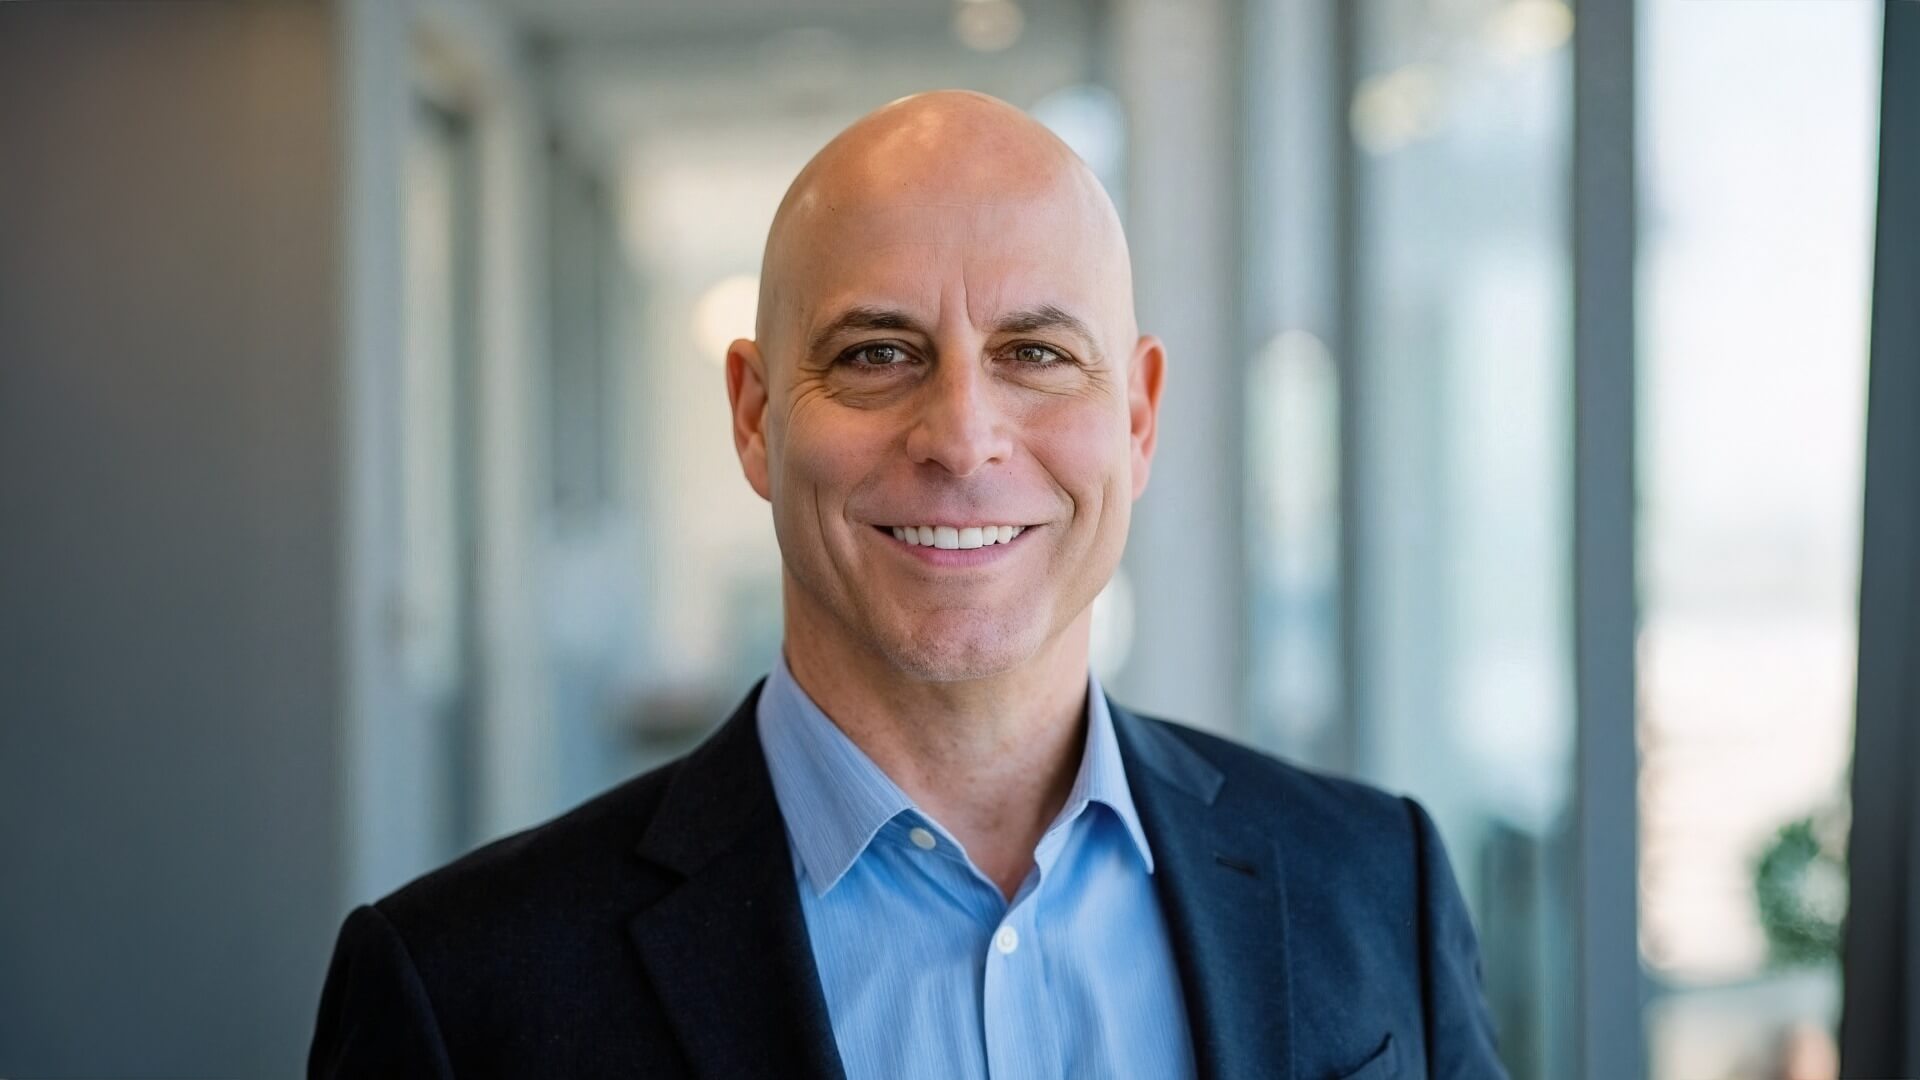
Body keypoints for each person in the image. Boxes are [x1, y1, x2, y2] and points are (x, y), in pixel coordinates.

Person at [309, 89, 1506, 1080]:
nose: (963, 438)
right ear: (755, 416)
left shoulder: (1373, 882)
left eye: (1035, 353)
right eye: (877, 353)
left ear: (1139, 418)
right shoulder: (462, 990)